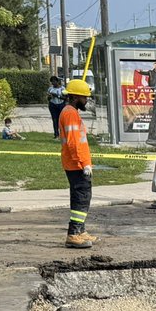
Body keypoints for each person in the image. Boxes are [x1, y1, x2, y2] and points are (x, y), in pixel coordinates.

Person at [59, 79, 95, 249]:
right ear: (74, 97)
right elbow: (74, 142)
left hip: (75, 163)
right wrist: (84, 163)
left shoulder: (70, 112)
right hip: (77, 164)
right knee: (81, 198)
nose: (86, 100)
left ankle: (80, 231)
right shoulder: (70, 114)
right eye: (84, 97)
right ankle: (73, 233)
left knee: (81, 197)